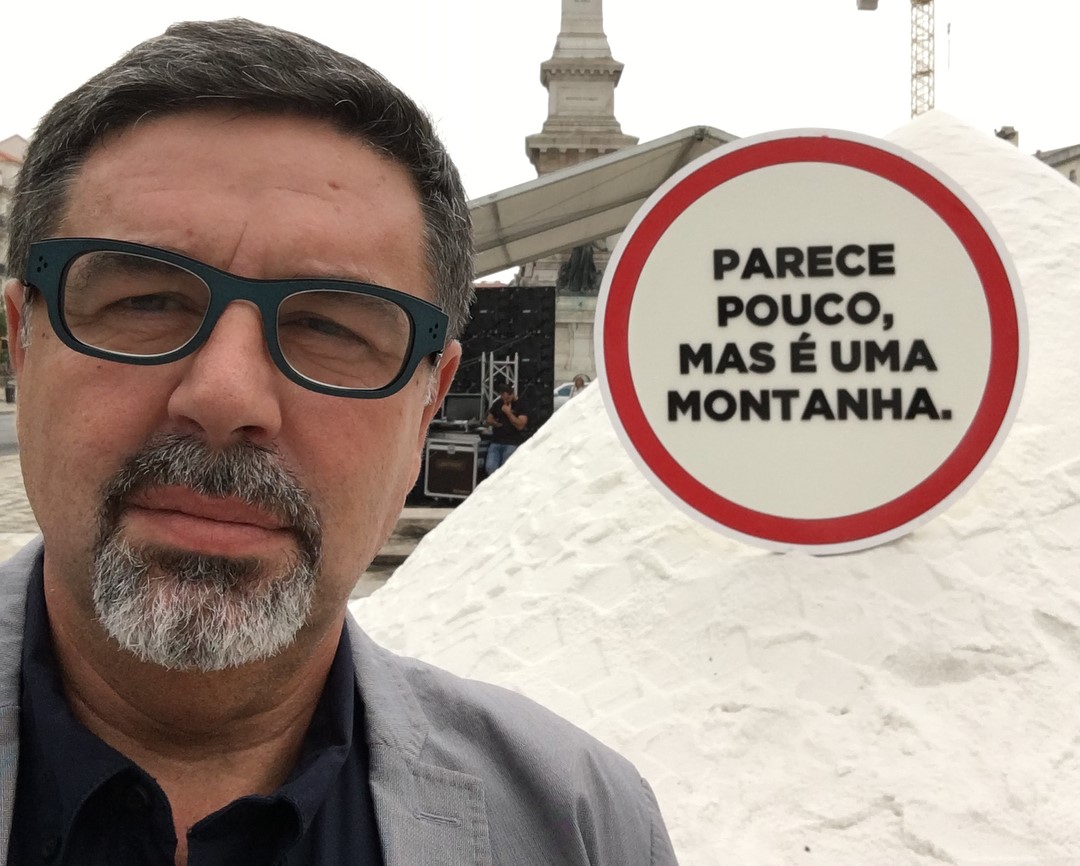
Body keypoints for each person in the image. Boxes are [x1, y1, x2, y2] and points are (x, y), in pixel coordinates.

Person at [0, 18, 677, 866]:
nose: (225, 396)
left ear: (429, 401)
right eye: (145, 302)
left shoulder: (579, 827)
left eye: (329, 326)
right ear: (22, 343)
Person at [484, 383, 529, 475]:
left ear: (512, 394)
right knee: (490, 467)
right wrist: (495, 423)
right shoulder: (498, 403)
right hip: (496, 441)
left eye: (507, 398)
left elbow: (520, 425)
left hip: (511, 442)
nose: (505, 400)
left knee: (505, 470)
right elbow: (488, 419)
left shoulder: (521, 405)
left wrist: (508, 413)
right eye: (503, 397)